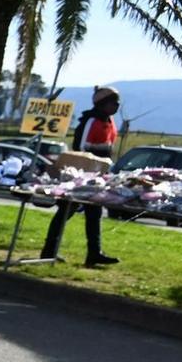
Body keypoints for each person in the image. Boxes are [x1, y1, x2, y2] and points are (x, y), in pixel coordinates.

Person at [41, 85, 121, 266]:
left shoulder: (109, 121)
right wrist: (98, 157)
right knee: (65, 212)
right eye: (112, 102)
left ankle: (94, 253)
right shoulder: (91, 120)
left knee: (95, 213)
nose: (116, 106)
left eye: (117, 103)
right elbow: (83, 147)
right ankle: (48, 251)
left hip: (99, 173)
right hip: (81, 173)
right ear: (102, 104)